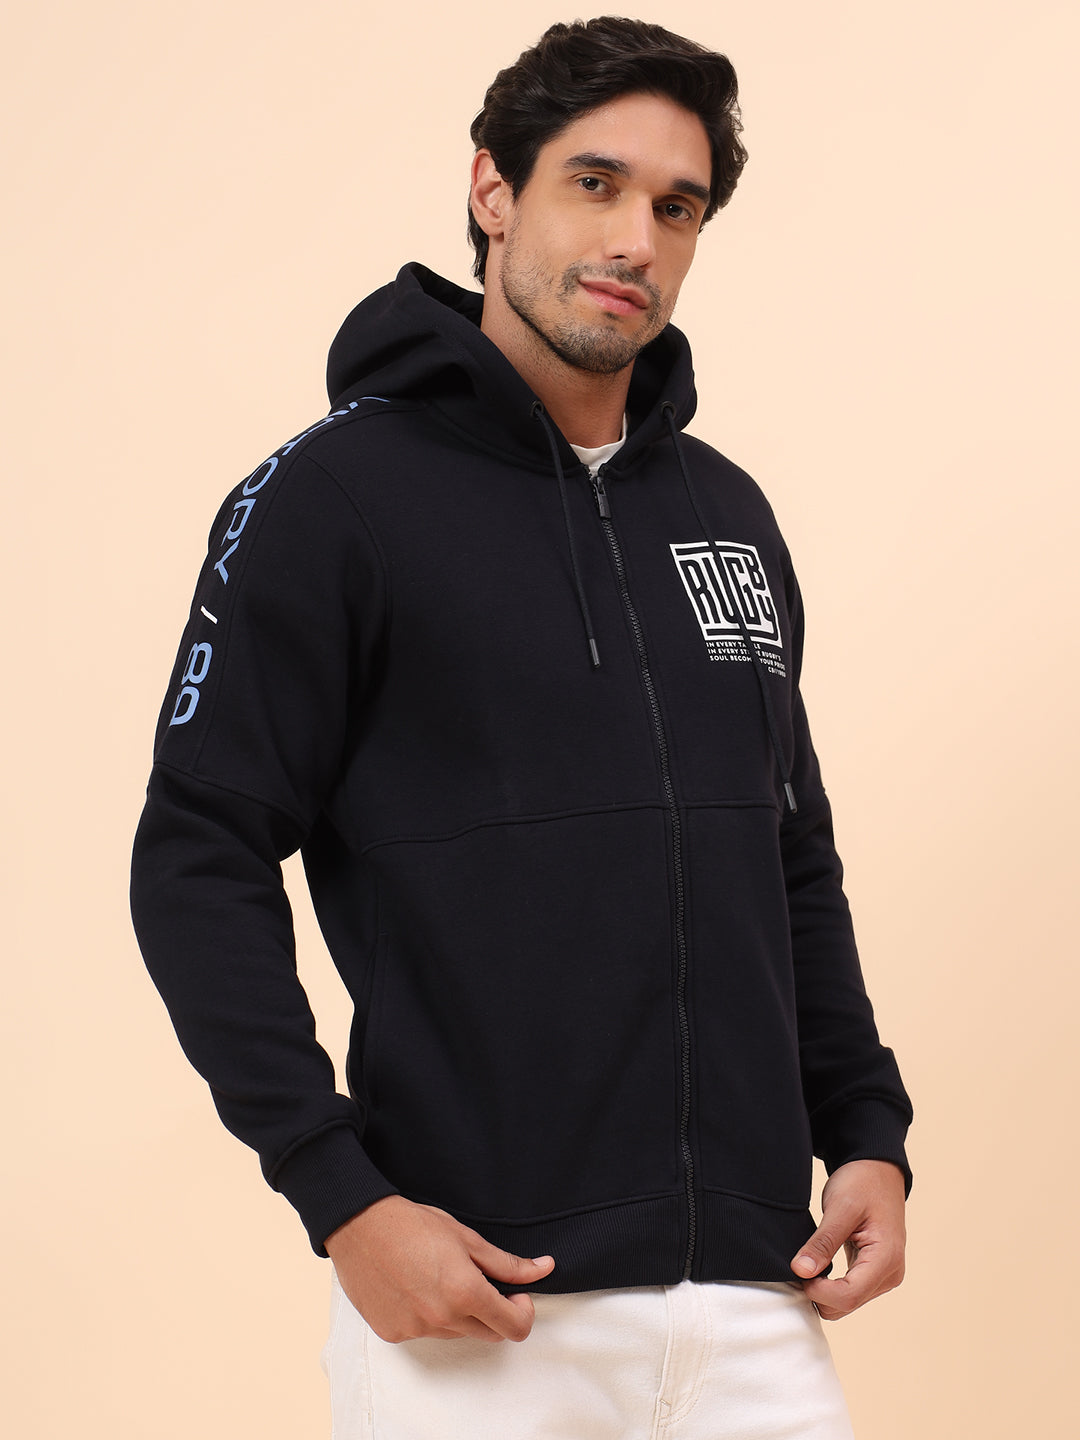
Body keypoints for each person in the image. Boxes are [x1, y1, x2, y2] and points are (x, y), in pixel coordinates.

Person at [131, 16, 912, 1438]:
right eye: (594, 184)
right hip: (486, 1316)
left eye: (677, 208)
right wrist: (342, 1197)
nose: (634, 240)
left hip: (757, 1301)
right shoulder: (331, 501)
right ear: (494, 189)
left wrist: (867, 1130)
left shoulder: (726, 512)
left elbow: (788, 852)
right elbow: (196, 854)